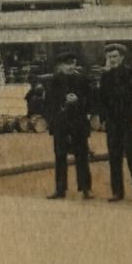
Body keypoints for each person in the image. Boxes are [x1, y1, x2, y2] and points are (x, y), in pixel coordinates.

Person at [98, 44, 132, 204]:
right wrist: (103, 119)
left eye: (114, 56)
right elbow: (103, 101)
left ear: (121, 57)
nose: (112, 60)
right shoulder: (105, 77)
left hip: (129, 122)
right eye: (109, 57)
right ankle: (117, 191)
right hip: (113, 122)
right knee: (114, 158)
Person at [45, 54, 94, 199]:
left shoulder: (82, 80)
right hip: (61, 124)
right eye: (67, 64)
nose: (71, 67)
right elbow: (48, 103)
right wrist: (62, 102)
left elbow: (91, 100)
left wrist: (79, 101)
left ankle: (86, 188)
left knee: (82, 156)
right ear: (60, 66)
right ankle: (60, 188)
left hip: (78, 124)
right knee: (60, 156)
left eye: (73, 63)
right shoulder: (54, 81)